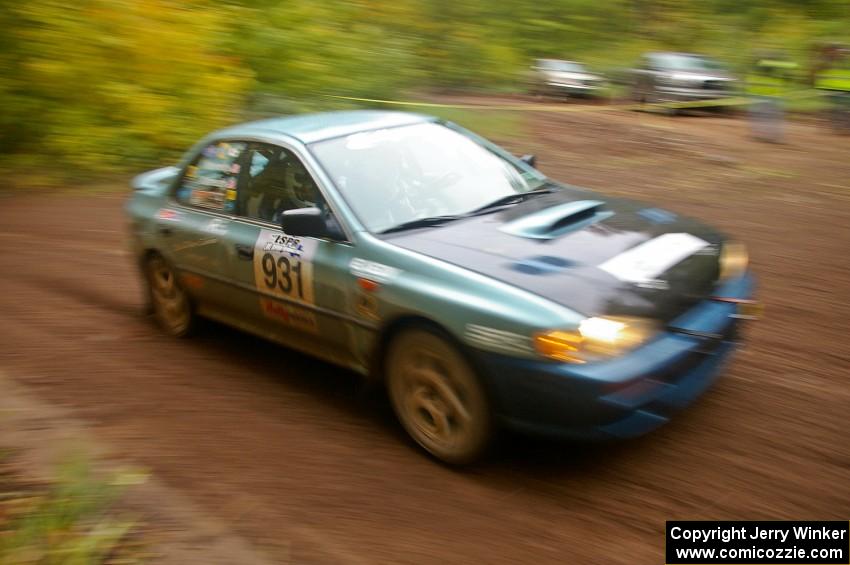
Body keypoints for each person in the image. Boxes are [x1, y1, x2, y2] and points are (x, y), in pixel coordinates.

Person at [746, 57, 796, 143]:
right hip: (774, 102)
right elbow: (785, 84)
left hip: (759, 101)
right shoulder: (776, 79)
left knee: (760, 119)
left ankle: (761, 135)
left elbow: (750, 88)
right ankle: (774, 136)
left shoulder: (754, 78)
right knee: (774, 119)